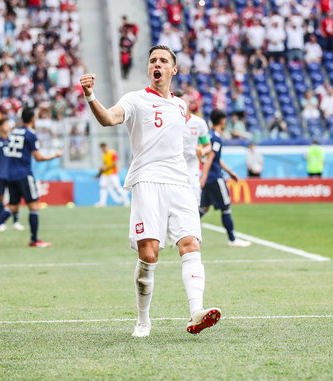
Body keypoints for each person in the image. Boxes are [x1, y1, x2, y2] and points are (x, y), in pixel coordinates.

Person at [79, 45, 221, 338]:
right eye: (153, 60)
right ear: (149, 69)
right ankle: (143, 320)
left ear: (173, 69)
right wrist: (90, 96)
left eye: (163, 61)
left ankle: (197, 311)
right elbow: (109, 118)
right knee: (149, 253)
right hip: (147, 180)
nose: (157, 64)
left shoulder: (181, 106)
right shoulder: (136, 99)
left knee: (191, 243)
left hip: (180, 183)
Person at [0, 107, 62, 248]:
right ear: (33, 118)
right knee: (33, 206)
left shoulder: (14, 131)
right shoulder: (31, 134)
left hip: (11, 174)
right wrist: (54, 155)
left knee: (12, 206)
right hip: (24, 174)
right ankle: (34, 240)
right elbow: (38, 158)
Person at [200, 109, 251, 248]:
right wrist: (204, 176)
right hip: (215, 177)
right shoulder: (216, 137)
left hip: (210, 177)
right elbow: (210, 158)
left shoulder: (209, 135)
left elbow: (215, 158)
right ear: (222, 120)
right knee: (226, 207)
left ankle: (177, 232)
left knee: (203, 208)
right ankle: (232, 239)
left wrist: (230, 171)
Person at [0, 118, 25, 232]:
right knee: (0, 197)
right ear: (0, 126)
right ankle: (1, 221)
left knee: (15, 198)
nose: (8, 126)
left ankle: (16, 221)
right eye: (6, 124)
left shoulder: (13, 139)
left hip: (13, 173)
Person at [175, 90, 211, 205]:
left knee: (194, 202)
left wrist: (202, 151)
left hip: (191, 168)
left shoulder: (198, 123)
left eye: (185, 101)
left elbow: (208, 145)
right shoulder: (170, 122)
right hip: (173, 167)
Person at [95, 142, 129, 207]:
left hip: (113, 173)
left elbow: (115, 163)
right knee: (103, 187)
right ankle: (102, 203)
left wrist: (106, 167)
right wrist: (102, 168)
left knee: (117, 187)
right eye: (102, 149)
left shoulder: (112, 153)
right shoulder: (103, 155)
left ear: (106, 146)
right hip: (105, 174)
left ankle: (126, 201)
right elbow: (105, 163)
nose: (103, 150)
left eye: (104, 148)